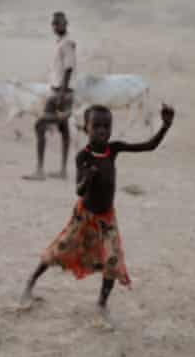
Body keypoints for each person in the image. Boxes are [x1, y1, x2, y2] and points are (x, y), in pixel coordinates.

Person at [19, 103, 175, 328]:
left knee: (112, 260)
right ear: (86, 128)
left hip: (106, 218)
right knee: (59, 250)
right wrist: (88, 178)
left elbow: (149, 146)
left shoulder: (114, 149)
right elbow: (79, 190)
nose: (102, 130)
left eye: (107, 126)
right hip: (84, 217)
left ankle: (101, 304)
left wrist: (165, 126)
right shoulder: (83, 156)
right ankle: (30, 283)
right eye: (97, 126)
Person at [23, 11, 77, 181]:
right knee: (63, 128)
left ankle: (40, 170)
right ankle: (62, 170)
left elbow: (69, 68)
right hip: (62, 92)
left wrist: (61, 93)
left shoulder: (67, 43)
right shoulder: (61, 42)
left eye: (58, 23)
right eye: (53, 24)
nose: (55, 26)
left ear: (65, 23)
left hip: (61, 93)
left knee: (40, 126)